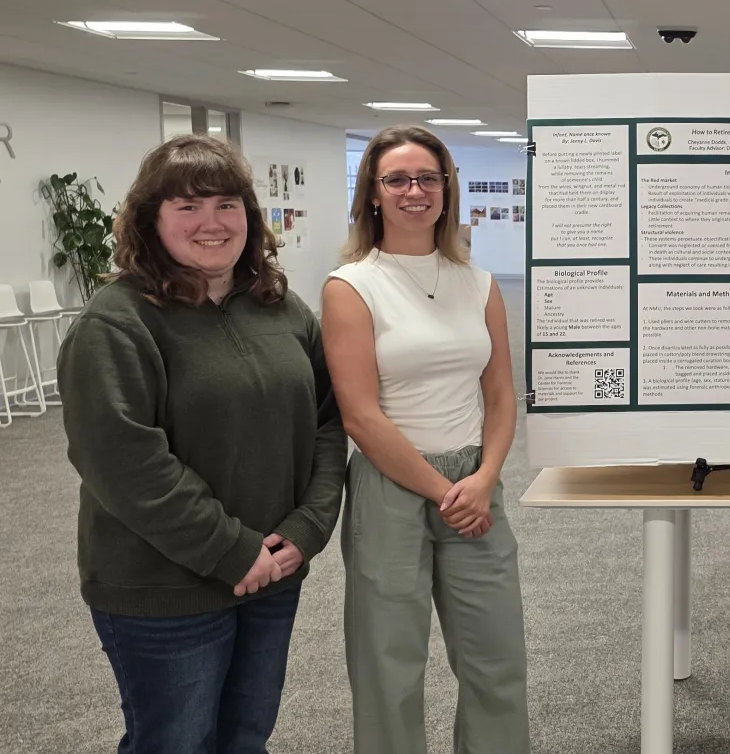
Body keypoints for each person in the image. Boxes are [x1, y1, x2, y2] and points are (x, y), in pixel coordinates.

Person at [56, 134, 346, 753]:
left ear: (250, 217)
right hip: (165, 587)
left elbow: (327, 422)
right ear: (150, 221)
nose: (211, 223)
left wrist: (308, 528)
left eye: (226, 204)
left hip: (273, 569)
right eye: (187, 206)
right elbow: (126, 463)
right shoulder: (117, 322)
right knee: (175, 742)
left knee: (246, 736)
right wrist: (231, 550)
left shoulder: (282, 308)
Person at [323, 125, 529, 753]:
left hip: (474, 482)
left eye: (428, 178)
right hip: (392, 484)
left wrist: (485, 477)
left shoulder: (479, 283)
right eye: (397, 180)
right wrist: (444, 492)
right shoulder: (351, 286)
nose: (414, 191)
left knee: (497, 657)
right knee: (388, 665)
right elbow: (360, 417)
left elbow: (500, 394)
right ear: (373, 193)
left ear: (446, 189)